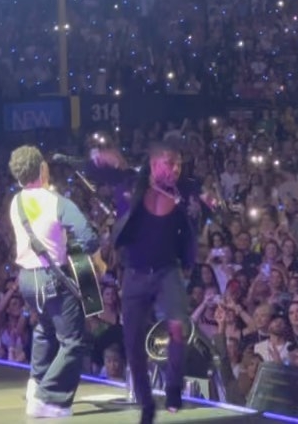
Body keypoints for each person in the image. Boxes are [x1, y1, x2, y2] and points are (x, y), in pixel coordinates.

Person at [92, 139, 200, 424]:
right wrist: (98, 156)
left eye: (178, 163)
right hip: (136, 273)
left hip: (168, 271)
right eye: (169, 163)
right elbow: (96, 169)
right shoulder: (132, 185)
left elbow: (193, 226)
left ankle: (174, 388)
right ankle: (146, 402)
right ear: (154, 164)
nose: (176, 169)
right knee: (133, 342)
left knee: (178, 326)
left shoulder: (184, 192)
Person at [8, 145, 101, 419]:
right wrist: (82, 254)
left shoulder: (16, 202)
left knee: (45, 329)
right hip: (52, 278)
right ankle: (50, 399)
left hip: (27, 280)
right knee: (73, 341)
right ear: (42, 169)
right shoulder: (56, 201)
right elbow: (89, 237)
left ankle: (36, 383)